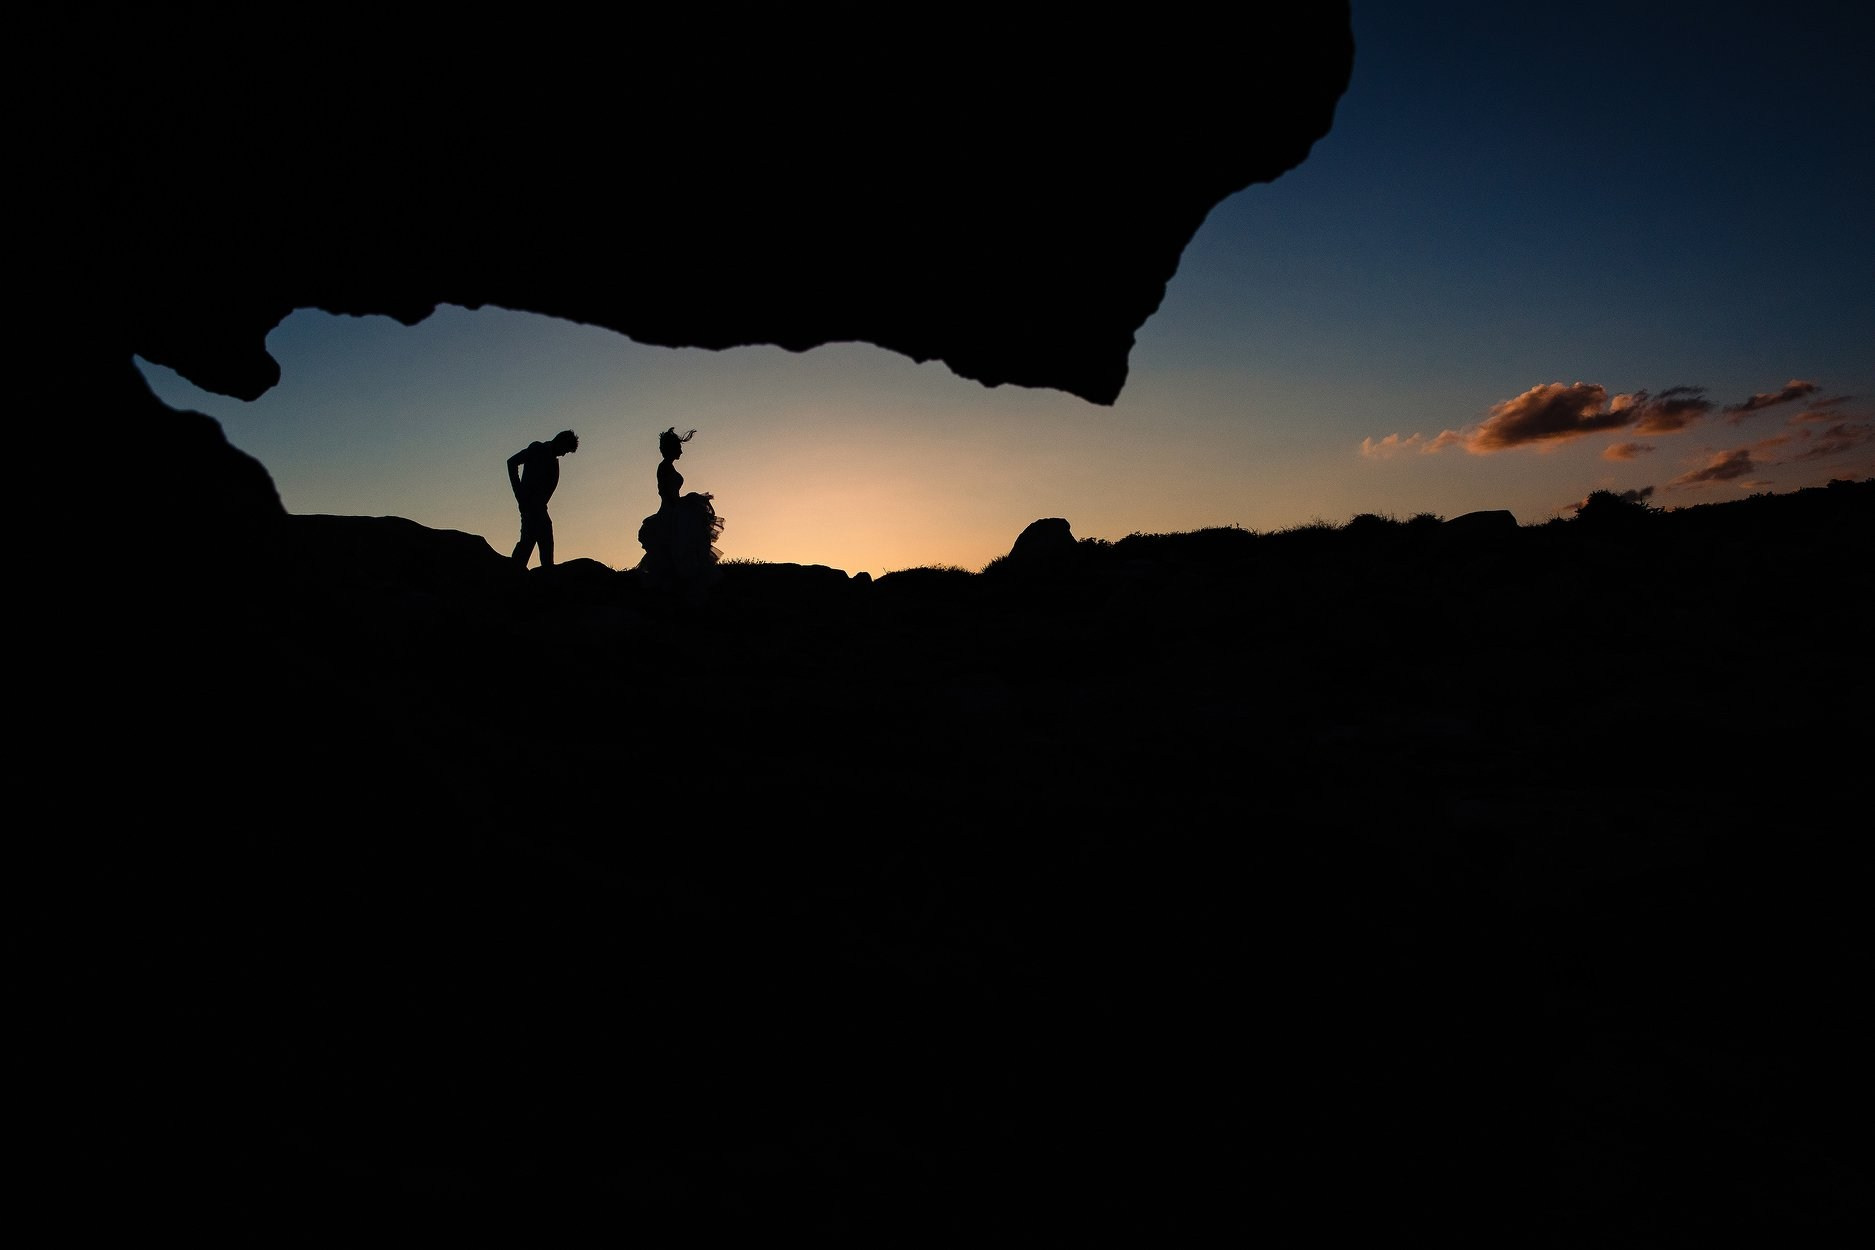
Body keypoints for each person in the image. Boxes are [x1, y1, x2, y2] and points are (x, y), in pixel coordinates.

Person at [636, 426, 724, 591]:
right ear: (672, 449)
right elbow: (668, 495)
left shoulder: (667, 467)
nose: (681, 452)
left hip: (673, 511)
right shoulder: (664, 468)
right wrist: (689, 500)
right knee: (678, 549)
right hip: (670, 513)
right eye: (679, 448)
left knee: (681, 549)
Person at [508, 429, 579, 567]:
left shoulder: (554, 464)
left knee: (543, 557)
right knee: (525, 550)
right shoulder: (537, 448)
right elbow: (512, 462)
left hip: (540, 512)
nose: (564, 454)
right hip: (531, 511)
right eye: (565, 450)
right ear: (560, 441)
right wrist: (519, 494)